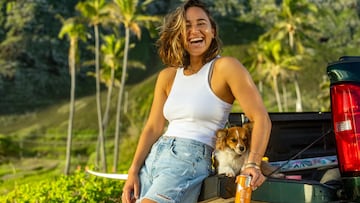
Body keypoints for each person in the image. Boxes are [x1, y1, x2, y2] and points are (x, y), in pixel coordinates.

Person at [121, 0, 271, 202]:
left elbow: (260, 118)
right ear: (179, 35)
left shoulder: (226, 67)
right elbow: (152, 128)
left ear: (213, 30)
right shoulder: (167, 76)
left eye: (201, 23)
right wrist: (133, 171)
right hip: (155, 157)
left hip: (188, 159)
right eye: (187, 26)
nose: (195, 31)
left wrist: (252, 163)